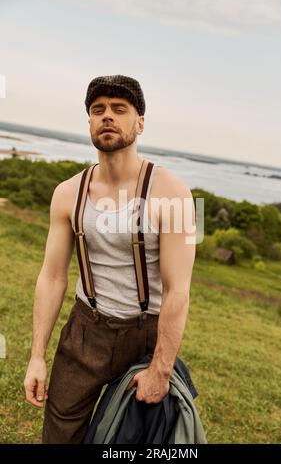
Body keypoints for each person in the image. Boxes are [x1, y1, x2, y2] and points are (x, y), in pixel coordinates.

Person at [23, 75, 197, 444]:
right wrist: (37, 356)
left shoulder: (173, 193)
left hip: (146, 333)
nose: (107, 116)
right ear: (89, 121)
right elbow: (52, 277)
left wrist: (161, 370)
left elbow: (177, 290)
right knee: (59, 433)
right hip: (87, 330)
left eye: (120, 109)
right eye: (98, 109)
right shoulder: (68, 192)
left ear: (141, 123)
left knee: (134, 441)